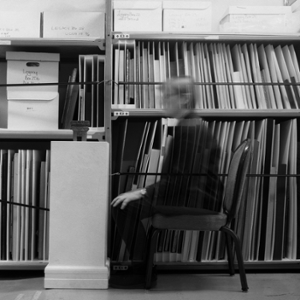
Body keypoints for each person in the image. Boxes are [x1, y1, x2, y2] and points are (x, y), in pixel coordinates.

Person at [110, 76, 223, 289]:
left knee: (124, 206)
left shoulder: (189, 129)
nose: (163, 100)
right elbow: (179, 180)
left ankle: (142, 273)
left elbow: (179, 182)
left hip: (195, 200)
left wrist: (142, 193)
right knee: (127, 202)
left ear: (184, 98)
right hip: (196, 195)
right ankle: (143, 269)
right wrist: (145, 191)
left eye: (167, 95)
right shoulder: (191, 124)